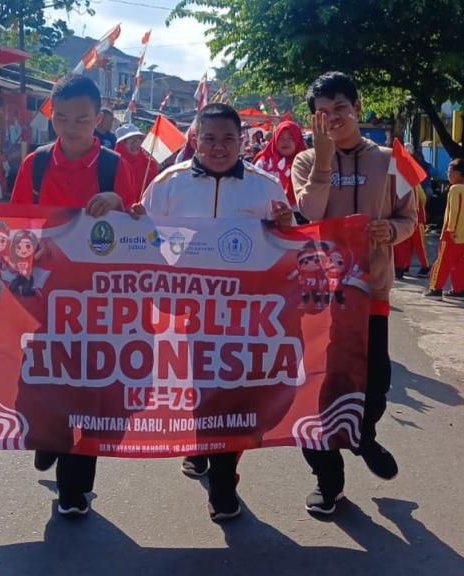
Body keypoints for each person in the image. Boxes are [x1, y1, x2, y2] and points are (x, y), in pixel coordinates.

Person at [0, 74, 137, 518]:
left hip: (101, 303)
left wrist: (117, 201)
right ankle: (47, 438)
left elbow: (143, 229)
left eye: (81, 118)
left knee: (88, 393)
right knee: (39, 384)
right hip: (43, 299)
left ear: (98, 118)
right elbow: (12, 226)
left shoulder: (116, 166)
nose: (71, 126)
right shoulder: (36, 165)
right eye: (61, 117)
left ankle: (74, 492)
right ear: (50, 116)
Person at [135, 102, 293, 522]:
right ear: (194, 140)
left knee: (235, 392)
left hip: (245, 314)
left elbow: (288, 243)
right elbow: (140, 239)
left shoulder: (265, 187)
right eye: (209, 138)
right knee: (198, 386)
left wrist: (285, 225)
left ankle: (224, 484)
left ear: (242, 141)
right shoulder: (167, 184)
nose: (218, 147)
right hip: (186, 310)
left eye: (228, 139)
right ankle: (199, 444)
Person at [292, 71, 417, 515]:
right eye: (322, 114)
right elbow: (307, 215)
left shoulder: (391, 161)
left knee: (375, 384)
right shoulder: (305, 162)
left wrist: (392, 230)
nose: (332, 120)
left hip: (370, 292)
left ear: (358, 109)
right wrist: (324, 161)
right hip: (320, 298)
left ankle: (363, 436)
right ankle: (328, 482)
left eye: (340, 109)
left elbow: (410, 219)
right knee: (315, 392)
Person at [426, 159, 464, 299]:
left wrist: (450, 229)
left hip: (453, 232)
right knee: (460, 264)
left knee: (443, 261)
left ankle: (436, 288)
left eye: (450, 172)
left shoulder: (454, 189)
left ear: (458, 173)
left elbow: (453, 211)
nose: (448, 174)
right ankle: (459, 290)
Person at [253, 120, 308, 210]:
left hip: (301, 214)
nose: (285, 142)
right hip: (267, 214)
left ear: (298, 140)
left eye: (290, 138)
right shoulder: (264, 162)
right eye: (281, 138)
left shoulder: (307, 163)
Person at [114, 124, 160, 201]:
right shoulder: (112, 164)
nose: (136, 144)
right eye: (131, 141)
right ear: (121, 145)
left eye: (138, 139)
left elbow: (155, 193)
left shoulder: (150, 165)